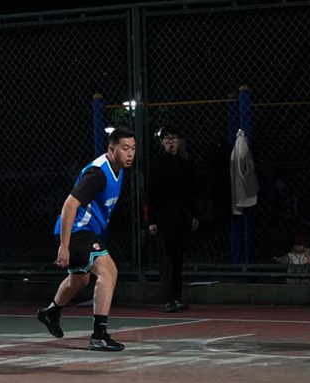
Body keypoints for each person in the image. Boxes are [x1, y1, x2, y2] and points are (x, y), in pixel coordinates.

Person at [37, 127, 136, 351]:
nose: (130, 153)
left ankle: (51, 312)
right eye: (125, 148)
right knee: (108, 271)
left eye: (133, 148)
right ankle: (99, 336)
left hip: (85, 230)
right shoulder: (98, 174)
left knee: (80, 279)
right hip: (75, 230)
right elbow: (69, 205)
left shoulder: (118, 169)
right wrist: (64, 246)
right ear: (111, 149)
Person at [146, 125, 199, 313]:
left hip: (181, 217)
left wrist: (194, 214)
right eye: (167, 139)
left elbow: (192, 193)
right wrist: (152, 220)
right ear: (162, 142)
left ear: (179, 142)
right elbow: (151, 194)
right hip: (164, 218)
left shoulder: (186, 165)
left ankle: (176, 297)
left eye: (174, 139)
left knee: (178, 258)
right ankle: (169, 299)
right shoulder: (157, 166)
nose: (171, 142)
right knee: (167, 259)